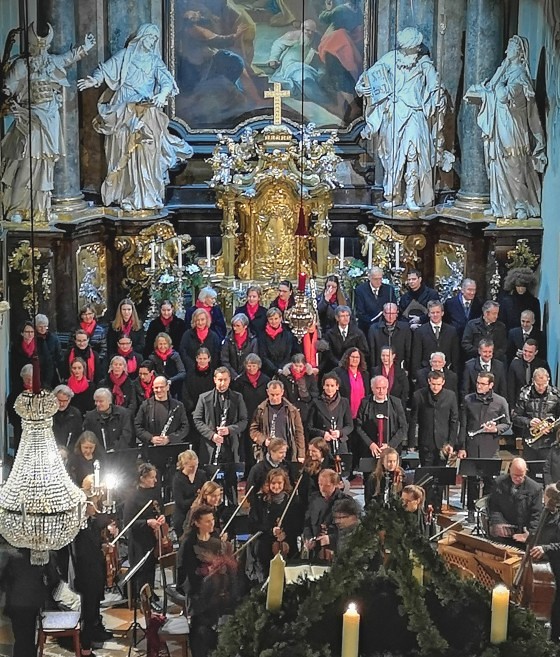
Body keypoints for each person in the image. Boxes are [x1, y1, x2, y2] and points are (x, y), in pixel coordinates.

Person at [77, 23, 192, 211]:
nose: (152, 41)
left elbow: (167, 82)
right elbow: (105, 70)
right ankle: (125, 193)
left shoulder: (155, 61)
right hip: (123, 109)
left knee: (147, 152)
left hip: (146, 110)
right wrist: (94, 80)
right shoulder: (125, 56)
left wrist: (161, 95)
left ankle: (145, 195)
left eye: (155, 39)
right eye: (150, 37)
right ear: (141, 37)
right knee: (122, 149)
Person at [1, 24, 95, 221]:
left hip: (50, 118)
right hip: (29, 118)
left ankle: (39, 209)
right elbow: (7, 88)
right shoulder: (21, 65)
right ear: (31, 46)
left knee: (45, 165)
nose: (41, 50)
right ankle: (17, 208)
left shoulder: (51, 62)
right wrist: (6, 94)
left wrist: (84, 48)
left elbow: (68, 58)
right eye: (37, 46)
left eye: (44, 47)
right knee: (27, 163)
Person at [355, 27, 450, 211]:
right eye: (414, 46)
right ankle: (394, 195)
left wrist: (437, 94)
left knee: (414, 154)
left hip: (415, 114)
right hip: (393, 114)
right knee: (393, 158)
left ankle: (411, 197)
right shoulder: (390, 58)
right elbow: (369, 77)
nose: (417, 49)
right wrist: (362, 88)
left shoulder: (423, 63)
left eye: (417, 46)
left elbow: (435, 85)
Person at [466, 35, 546, 220]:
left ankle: (521, 205)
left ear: (519, 52)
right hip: (499, 125)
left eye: (510, 48)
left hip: (513, 127)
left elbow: (504, 95)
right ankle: (501, 204)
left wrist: (498, 82)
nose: (506, 51)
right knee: (497, 163)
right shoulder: (506, 72)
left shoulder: (520, 76)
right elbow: (492, 90)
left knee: (514, 164)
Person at [459, 372, 511, 519]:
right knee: (472, 480)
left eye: (482, 384)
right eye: (478, 383)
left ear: (491, 385)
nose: (479, 386)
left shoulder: (500, 401)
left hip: (490, 446)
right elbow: (463, 425)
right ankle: (471, 511)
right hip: (472, 445)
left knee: (490, 481)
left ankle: (487, 512)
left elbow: (507, 423)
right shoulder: (468, 400)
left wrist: (495, 429)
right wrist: (461, 447)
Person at [193, 367, 248, 505]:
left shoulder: (237, 397)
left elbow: (244, 421)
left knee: (231, 485)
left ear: (229, 380)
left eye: (225, 380)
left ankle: (232, 510)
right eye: (219, 380)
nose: (222, 383)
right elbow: (197, 420)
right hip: (211, 447)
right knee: (210, 485)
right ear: (214, 380)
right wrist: (212, 435)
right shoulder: (204, 397)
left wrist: (229, 430)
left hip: (230, 447)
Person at [72, 491, 117, 655]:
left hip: (96, 570)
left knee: (95, 605)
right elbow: (84, 552)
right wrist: (101, 550)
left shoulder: (90, 524)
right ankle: (86, 645)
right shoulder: (79, 527)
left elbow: (97, 538)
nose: (95, 506)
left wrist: (103, 546)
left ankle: (95, 632)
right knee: (88, 610)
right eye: (92, 504)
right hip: (86, 574)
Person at [408, 371, 459, 510]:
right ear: (429, 382)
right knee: (426, 476)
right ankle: (426, 505)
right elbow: (413, 420)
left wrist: (451, 443)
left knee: (440, 477)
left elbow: (454, 421)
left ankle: (437, 506)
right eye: (433, 384)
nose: (435, 387)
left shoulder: (450, 396)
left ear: (443, 382)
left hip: (443, 444)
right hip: (425, 442)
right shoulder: (419, 395)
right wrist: (411, 443)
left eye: (438, 384)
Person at [248, 468, 301, 580]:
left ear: (284, 483)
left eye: (279, 483)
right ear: (268, 483)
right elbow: (253, 524)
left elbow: (297, 523)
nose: (276, 486)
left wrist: (285, 534)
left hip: (288, 540)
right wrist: (270, 530)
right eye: (273, 483)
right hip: (266, 542)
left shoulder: (292, 501)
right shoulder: (260, 501)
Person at [122, 463, 166, 602]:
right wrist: (147, 522)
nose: (155, 480)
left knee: (151, 566)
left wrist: (162, 517)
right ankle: (143, 599)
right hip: (139, 539)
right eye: (152, 477)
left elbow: (161, 508)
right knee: (142, 569)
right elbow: (128, 522)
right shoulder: (133, 496)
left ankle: (150, 593)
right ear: (142, 478)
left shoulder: (154, 492)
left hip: (152, 536)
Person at [0, 546, 49, 657]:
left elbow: (4, 581)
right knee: (30, 635)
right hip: (32, 602)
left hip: (16, 602)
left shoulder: (13, 557)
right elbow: (52, 578)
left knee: (19, 637)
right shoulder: (40, 558)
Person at [529, 483, 560, 643]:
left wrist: (545, 548)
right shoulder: (547, 513)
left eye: (545, 498)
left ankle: (555, 638)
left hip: (556, 563)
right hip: (549, 562)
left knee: (557, 603)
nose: (543, 501)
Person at [268, 20, 326, 104]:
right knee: (303, 77)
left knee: (309, 78)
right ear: (302, 28)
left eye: (312, 31)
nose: (310, 33)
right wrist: (273, 58)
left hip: (307, 65)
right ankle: (324, 102)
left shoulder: (317, 38)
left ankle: (321, 99)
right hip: (291, 64)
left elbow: (322, 53)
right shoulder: (292, 35)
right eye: (307, 30)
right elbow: (278, 45)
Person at [487, 457, 542, 545]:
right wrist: (498, 522)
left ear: (526, 471)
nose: (518, 478)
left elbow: (536, 515)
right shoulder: (499, 483)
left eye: (521, 475)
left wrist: (530, 535)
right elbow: (494, 506)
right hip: (503, 532)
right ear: (510, 470)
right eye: (515, 475)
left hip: (523, 533)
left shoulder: (535, 489)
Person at [249, 379, 306, 466]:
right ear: (267, 392)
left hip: (287, 453)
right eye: (272, 395)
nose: (274, 398)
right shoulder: (261, 410)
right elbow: (253, 430)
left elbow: (299, 433)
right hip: (267, 453)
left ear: (282, 392)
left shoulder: (292, 410)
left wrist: (301, 454)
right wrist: (263, 440)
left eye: (277, 394)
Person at [231, 354, 271, 474]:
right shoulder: (239, 381)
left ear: (258, 366)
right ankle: (248, 471)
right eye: (249, 365)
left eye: (254, 365)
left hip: (262, 417)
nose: (251, 368)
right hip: (246, 417)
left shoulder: (266, 380)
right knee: (247, 446)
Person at [302, 469, 351, 561]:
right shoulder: (314, 498)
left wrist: (330, 539)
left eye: (327, 486)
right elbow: (307, 522)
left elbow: (350, 530)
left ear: (335, 485)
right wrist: (308, 537)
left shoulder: (346, 502)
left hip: (337, 551)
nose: (322, 489)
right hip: (315, 549)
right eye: (320, 484)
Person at [513, 368, 560, 461]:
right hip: (529, 442)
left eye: (544, 384)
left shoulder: (556, 395)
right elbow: (515, 417)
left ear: (548, 380)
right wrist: (529, 422)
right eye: (538, 384)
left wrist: (551, 428)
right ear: (533, 381)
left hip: (550, 442)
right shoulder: (525, 394)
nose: (541, 387)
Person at [355, 375, 408, 457]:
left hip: (391, 451)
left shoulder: (396, 403)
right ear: (372, 388)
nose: (381, 391)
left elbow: (403, 427)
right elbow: (358, 427)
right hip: (370, 450)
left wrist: (390, 445)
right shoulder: (365, 403)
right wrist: (370, 444)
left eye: (384, 388)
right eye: (378, 388)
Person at [135, 376, 190, 448]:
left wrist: (170, 438)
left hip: (172, 447)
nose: (159, 390)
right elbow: (137, 426)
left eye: (162, 387)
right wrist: (151, 438)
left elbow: (185, 428)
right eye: (156, 387)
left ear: (167, 387)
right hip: (150, 448)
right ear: (153, 388)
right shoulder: (145, 405)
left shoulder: (178, 406)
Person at [308, 372, 353, 459]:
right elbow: (309, 427)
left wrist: (339, 433)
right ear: (323, 386)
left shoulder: (344, 402)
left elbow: (350, 426)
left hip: (340, 445)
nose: (329, 388)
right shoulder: (316, 403)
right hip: (322, 445)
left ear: (337, 387)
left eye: (332, 386)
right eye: (327, 385)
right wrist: (323, 434)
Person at [410, 300, 460, 377]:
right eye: (433, 313)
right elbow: (416, 355)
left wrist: (455, 374)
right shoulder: (420, 331)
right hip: (425, 372)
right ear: (429, 314)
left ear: (442, 313)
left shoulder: (451, 331)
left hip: (446, 372)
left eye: (438, 312)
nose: (435, 315)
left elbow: (455, 355)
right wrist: (416, 375)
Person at [172, 450, 208, 535]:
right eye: (191, 467)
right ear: (184, 465)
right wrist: (197, 497)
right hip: (183, 515)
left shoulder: (201, 474)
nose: (194, 469)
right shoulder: (178, 479)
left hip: (199, 512)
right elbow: (181, 503)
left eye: (196, 465)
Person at [367, 302, 411, 371]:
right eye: (388, 313)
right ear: (383, 313)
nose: (391, 316)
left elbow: (408, 350)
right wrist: (374, 369)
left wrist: (407, 368)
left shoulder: (405, 328)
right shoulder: (374, 329)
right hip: (380, 368)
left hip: (399, 368)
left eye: (393, 313)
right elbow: (372, 351)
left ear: (397, 314)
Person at [10, 320, 54, 390]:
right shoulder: (16, 347)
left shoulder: (41, 344)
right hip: (22, 385)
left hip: (40, 384)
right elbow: (14, 369)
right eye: (27, 332)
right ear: (22, 333)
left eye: (32, 332)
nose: (30, 334)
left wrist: (45, 384)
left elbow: (48, 364)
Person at [278, 353, 319, 426]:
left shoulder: (309, 375)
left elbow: (314, 391)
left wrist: (310, 404)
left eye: (300, 366)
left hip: (307, 405)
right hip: (290, 406)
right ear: (292, 364)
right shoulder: (284, 376)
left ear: (304, 365)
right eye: (296, 366)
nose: (297, 369)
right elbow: (284, 394)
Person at [324, 305, 369, 371]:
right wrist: (339, 363)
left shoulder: (358, 333)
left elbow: (364, 351)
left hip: (354, 368)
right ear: (337, 318)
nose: (345, 318)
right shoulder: (329, 334)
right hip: (335, 368)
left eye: (347, 315)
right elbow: (328, 354)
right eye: (342, 316)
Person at [246, 437, 291, 502]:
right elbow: (250, 493)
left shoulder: (286, 467)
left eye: (285, 452)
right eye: (281, 452)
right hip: (262, 505)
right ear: (272, 452)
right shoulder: (257, 469)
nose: (284, 455)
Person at [507, 339, 550, 407]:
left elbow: (548, 385)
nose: (527, 354)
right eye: (525, 351)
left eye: (530, 352)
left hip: (538, 404)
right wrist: (512, 406)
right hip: (519, 404)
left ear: (536, 352)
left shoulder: (542, 364)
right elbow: (510, 388)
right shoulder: (515, 364)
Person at [257, 307, 299, 377]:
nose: (273, 321)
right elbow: (263, 356)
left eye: (276, 318)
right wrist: (275, 370)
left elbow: (289, 354)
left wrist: (282, 368)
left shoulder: (288, 335)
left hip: (285, 371)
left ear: (280, 318)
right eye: (271, 319)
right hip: (268, 373)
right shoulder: (262, 336)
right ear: (267, 319)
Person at [179, 308, 222, 374]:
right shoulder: (187, 335)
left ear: (207, 320)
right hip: (191, 372)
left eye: (202, 319)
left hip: (210, 372)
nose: (200, 322)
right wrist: (193, 366)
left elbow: (216, 355)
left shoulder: (214, 336)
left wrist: (208, 367)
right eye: (197, 320)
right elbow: (183, 352)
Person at [354, 267, 394, 335]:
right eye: (375, 279)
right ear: (369, 278)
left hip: (386, 326)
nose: (378, 282)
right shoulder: (360, 290)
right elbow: (360, 312)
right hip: (367, 326)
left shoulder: (389, 289)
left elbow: (393, 307)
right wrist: (372, 323)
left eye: (380, 279)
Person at [499, 267, 542, 332]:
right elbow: (502, 323)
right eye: (518, 286)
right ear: (513, 286)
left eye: (523, 286)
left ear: (528, 286)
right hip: (510, 336)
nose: (521, 289)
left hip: (529, 336)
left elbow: (537, 324)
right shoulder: (506, 302)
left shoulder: (534, 302)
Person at [148, 332, 186, 398]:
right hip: (158, 389)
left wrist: (170, 380)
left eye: (165, 344)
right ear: (156, 345)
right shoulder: (152, 357)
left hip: (174, 389)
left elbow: (182, 373)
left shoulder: (175, 356)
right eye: (160, 344)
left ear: (169, 344)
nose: (162, 346)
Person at [221, 313, 259, 379]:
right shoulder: (228, 340)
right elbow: (224, 360)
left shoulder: (253, 341)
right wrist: (234, 376)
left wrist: (243, 376)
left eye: (238, 326)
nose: (235, 328)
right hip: (231, 377)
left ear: (245, 326)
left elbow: (254, 360)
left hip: (247, 377)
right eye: (234, 325)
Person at [299, 437, 335, 507]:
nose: (310, 454)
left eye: (314, 451)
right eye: (309, 450)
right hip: (307, 500)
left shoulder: (331, 464)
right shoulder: (308, 463)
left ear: (322, 451)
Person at [52, 384, 84, 449]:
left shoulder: (75, 413)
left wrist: (67, 450)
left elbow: (78, 437)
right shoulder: (49, 413)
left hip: (70, 450)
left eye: (64, 401)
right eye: (59, 400)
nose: (61, 404)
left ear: (69, 400)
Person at [34, 314, 62, 387]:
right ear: (35, 327)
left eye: (45, 326)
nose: (43, 329)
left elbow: (58, 356)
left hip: (51, 371)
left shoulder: (53, 339)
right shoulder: (33, 339)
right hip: (37, 370)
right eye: (40, 326)